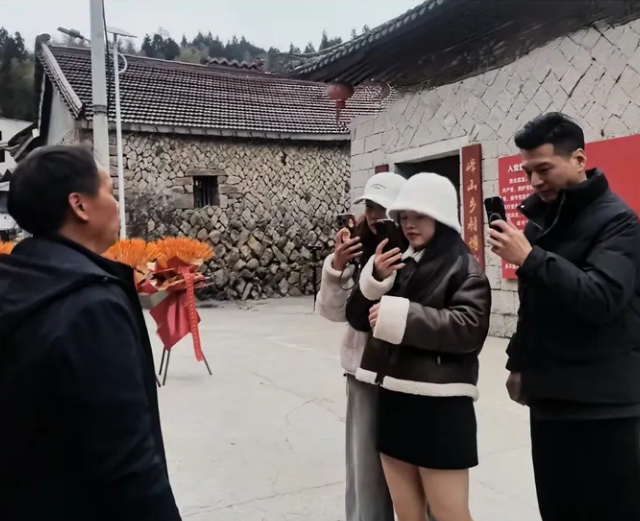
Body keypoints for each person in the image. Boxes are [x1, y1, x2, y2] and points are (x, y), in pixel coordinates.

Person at [0, 146, 181, 521]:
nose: (116, 204)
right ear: (79, 205)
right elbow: (127, 460)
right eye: (110, 191)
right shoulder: (91, 305)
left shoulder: (17, 283)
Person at [487, 112, 640, 521]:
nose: (535, 181)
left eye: (544, 169)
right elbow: (533, 308)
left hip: (604, 406)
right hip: (551, 400)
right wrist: (519, 364)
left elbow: (601, 298)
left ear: (578, 159)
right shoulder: (540, 224)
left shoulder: (618, 221)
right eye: (527, 172)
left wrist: (530, 258)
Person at [346, 172, 491, 521]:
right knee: (407, 512)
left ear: (441, 215)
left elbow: (468, 328)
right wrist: (376, 279)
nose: (409, 224)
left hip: (440, 406)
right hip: (393, 398)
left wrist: (402, 316)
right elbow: (357, 317)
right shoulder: (399, 262)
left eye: (419, 215)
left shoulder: (465, 268)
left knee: (450, 512)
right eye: (404, 216)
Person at [316, 171, 406, 521]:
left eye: (381, 208)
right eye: (369, 206)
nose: (373, 215)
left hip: (410, 373)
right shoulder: (356, 247)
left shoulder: (418, 247)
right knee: (365, 472)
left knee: (414, 475)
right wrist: (336, 267)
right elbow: (334, 312)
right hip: (363, 371)